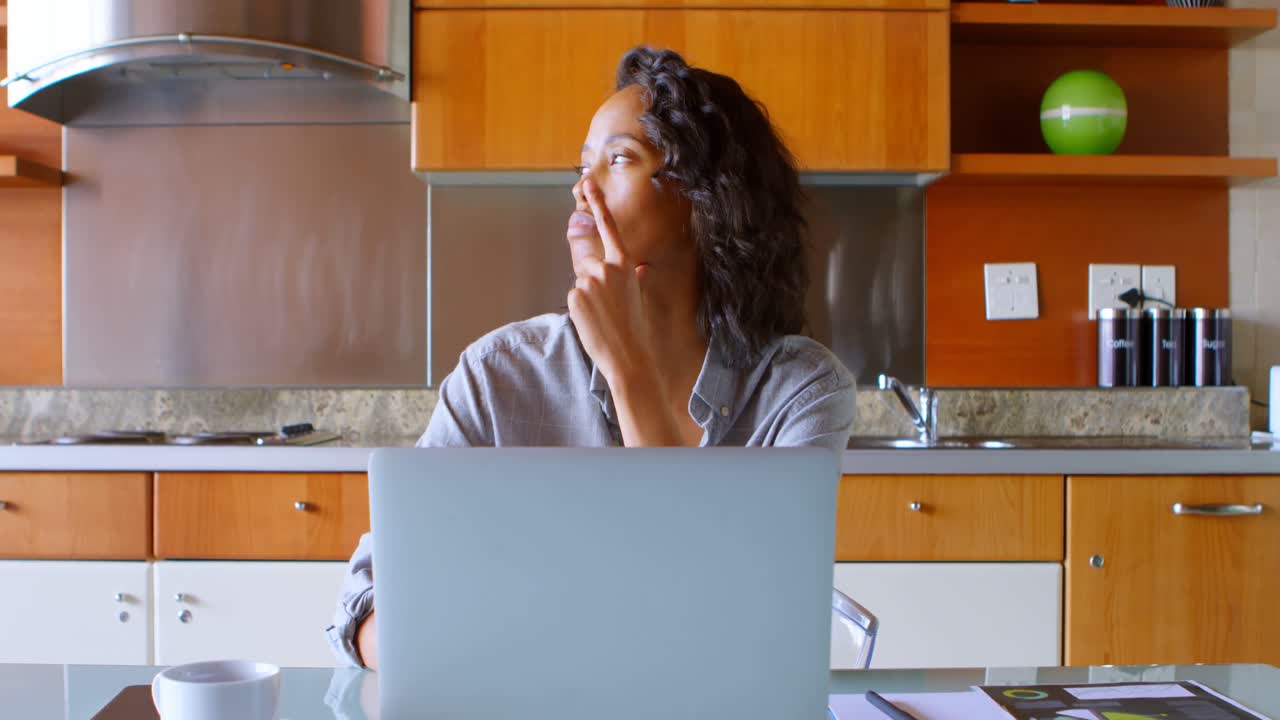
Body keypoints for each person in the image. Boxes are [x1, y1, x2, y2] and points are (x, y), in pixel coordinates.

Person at [326, 46, 857, 670]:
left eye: (619, 159)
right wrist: (475, 656)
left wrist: (627, 367)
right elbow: (364, 606)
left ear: (703, 201)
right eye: (582, 166)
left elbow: (729, 625)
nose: (582, 189)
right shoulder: (498, 374)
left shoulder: (801, 392)